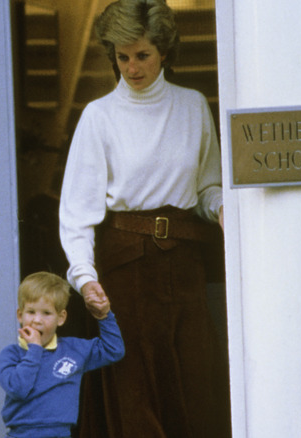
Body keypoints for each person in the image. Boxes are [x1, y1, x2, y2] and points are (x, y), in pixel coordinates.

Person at [58, 1, 230, 436]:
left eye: (142, 55)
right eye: (122, 56)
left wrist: (223, 208)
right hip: (125, 269)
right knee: (135, 398)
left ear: (165, 51)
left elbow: (207, 188)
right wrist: (83, 275)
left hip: (185, 268)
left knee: (195, 391)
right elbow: (77, 212)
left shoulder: (192, 107)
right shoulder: (99, 117)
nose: (132, 68)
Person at [0, 272, 125, 438]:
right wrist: (34, 350)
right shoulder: (11, 354)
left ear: (61, 318)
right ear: (20, 316)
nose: (37, 320)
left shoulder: (73, 349)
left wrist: (104, 316)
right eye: (31, 312)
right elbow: (18, 389)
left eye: (46, 313)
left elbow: (113, 350)